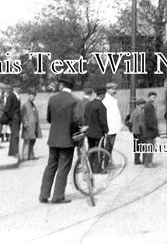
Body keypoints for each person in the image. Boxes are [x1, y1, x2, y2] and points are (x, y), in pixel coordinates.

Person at [39, 75, 81, 204]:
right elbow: (76, 121)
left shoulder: (52, 99)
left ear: (62, 85)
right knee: (63, 167)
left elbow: (49, 119)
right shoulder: (75, 101)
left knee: (51, 166)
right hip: (67, 140)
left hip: (53, 139)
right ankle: (58, 196)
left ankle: (44, 195)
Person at [102, 82, 123, 155]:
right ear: (108, 89)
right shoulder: (106, 100)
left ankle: (108, 162)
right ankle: (107, 163)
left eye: (115, 89)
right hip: (110, 127)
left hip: (113, 127)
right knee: (108, 146)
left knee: (110, 146)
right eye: (113, 89)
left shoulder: (112, 100)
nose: (115, 91)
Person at [85, 86, 109, 150]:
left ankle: (91, 160)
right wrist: (106, 131)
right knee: (99, 151)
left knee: (91, 149)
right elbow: (103, 121)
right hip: (98, 134)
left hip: (89, 133)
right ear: (103, 94)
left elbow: (85, 117)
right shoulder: (101, 106)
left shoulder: (88, 104)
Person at [20, 89, 42, 160]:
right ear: (28, 95)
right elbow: (23, 117)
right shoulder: (25, 106)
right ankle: (25, 157)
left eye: (34, 96)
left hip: (34, 127)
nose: (33, 97)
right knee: (27, 142)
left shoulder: (33, 106)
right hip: (28, 128)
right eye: (31, 95)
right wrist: (26, 126)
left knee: (32, 141)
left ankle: (31, 156)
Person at [142, 91, 159, 168]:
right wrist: (154, 128)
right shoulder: (148, 106)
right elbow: (149, 119)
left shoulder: (150, 105)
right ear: (149, 97)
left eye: (154, 97)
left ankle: (148, 162)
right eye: (152, 97)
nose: (153, 98)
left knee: (150, 147)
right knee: (150, 147)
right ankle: (148, 163)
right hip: (150, 130)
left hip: (150, 130)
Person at [5, 85, 22, 158]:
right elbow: (7, 109)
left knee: (13, 135)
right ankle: (15, 153)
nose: (19, 88)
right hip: (13, 120)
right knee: (15, 136)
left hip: (17, 119)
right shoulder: (11, 97)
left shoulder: (17, 96)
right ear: (14, 88)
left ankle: (11, 152)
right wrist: (12, 117)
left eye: (19, 87)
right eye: (17, 87)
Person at [129, 98, 146, 165]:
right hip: (140, 131)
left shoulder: (134, 111)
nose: (144, 105)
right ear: (140, 105)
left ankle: (136, 160)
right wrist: (144, 132)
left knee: (136, 146)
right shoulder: (141, 112)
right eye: (143, 104)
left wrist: (132, 129)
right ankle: (145, 160)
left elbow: (130, 121)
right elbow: (141, 124)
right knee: (144, 145)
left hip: (134, 131)